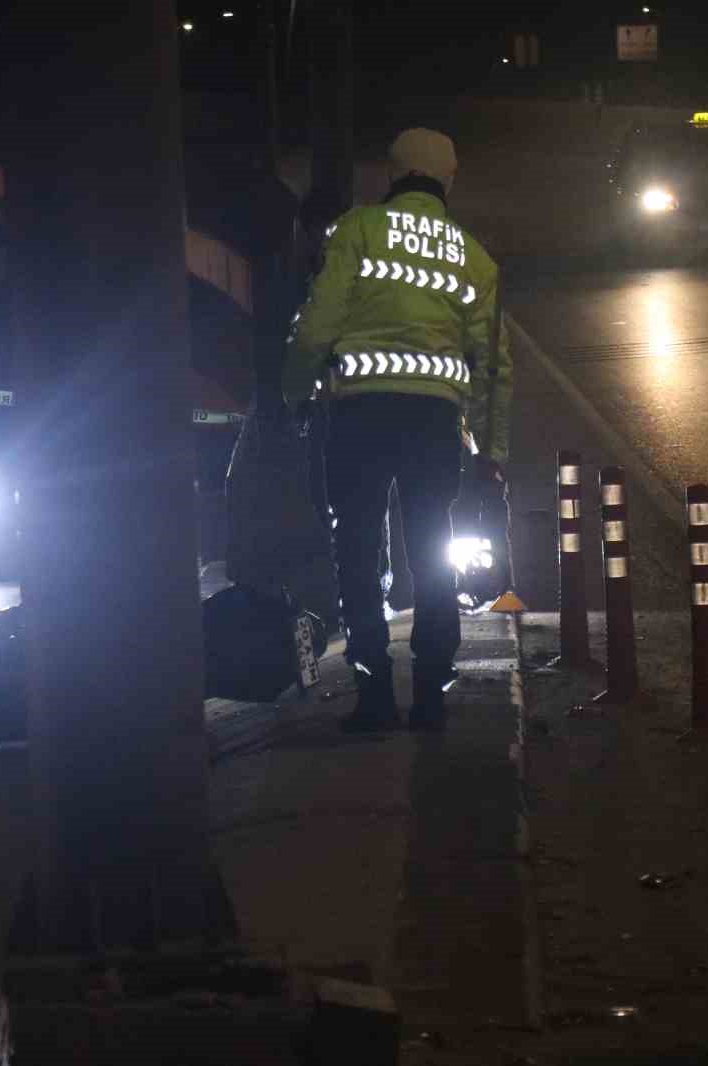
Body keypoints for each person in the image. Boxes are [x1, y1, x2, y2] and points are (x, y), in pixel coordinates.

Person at [282, 127, 513, 732]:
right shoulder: (473, 257)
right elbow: (493, 366)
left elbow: (314, 327)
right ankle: (432, 693)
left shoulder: (357, 230)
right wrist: (491, 450)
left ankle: (374, 692)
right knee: (432, 549)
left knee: (356, 547)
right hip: (434, 421)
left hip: (358, 416)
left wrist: (297, 394)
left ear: (391, 175)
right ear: (449, 181)